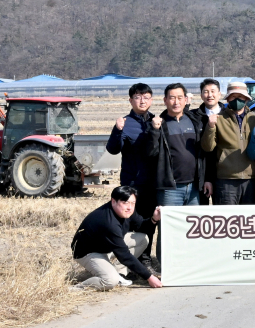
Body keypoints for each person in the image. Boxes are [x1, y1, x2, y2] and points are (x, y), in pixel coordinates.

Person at [70, 185, 163, 289]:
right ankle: (77, 288)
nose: (130, 207)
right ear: (113, 201)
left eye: (133, 203)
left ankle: (119, 273)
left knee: (143, 239)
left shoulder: (127, 210)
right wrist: (149, 277)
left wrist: (154, 219)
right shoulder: (109, 223)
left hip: (106, 245)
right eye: (125, 203)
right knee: (110, 281)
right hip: (88, 252)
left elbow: (141, 225)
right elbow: (124, 256)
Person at [106, 82, 157, 265]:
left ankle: (145, 260)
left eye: (146, 97)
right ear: (130, 100)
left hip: (152, 183)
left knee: (149, 222)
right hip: (132, 183)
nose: (142, 101)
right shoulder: (125, 123)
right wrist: (117, 130)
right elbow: (112, 149)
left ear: (151, 100)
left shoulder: (156, 121)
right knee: (128, 223)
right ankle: (125, 262)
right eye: (137, 97)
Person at [201, 81, 255, 205]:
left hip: (250, 179)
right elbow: (208, 147)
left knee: (248, 220)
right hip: (225, 180)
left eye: (240, 97)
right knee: (227, 220)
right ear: (228, 98)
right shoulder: (219, 119)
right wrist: (210, 127)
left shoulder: (254, 119)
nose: (237, 100)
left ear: (246, 99)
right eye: (233, 97)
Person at [146, 83, 206, 208]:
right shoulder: (158, 124)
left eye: (179, 98)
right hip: (170, 189)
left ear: (185, 100)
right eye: (172, 98)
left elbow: (203, 152)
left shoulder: (195, 122)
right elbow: (151, 153)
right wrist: (154, 131)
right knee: (169, 226)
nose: (176, 102)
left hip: (194, 187)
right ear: (165, 100)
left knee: (193, 226)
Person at [188, 78, 224, 204]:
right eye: (206, 92)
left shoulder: (228, 115)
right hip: (200, 173)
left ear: (220, 94)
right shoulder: (194, 116)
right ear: (201, 95)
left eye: (213, 91)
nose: (210, 95)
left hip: (223, 174)